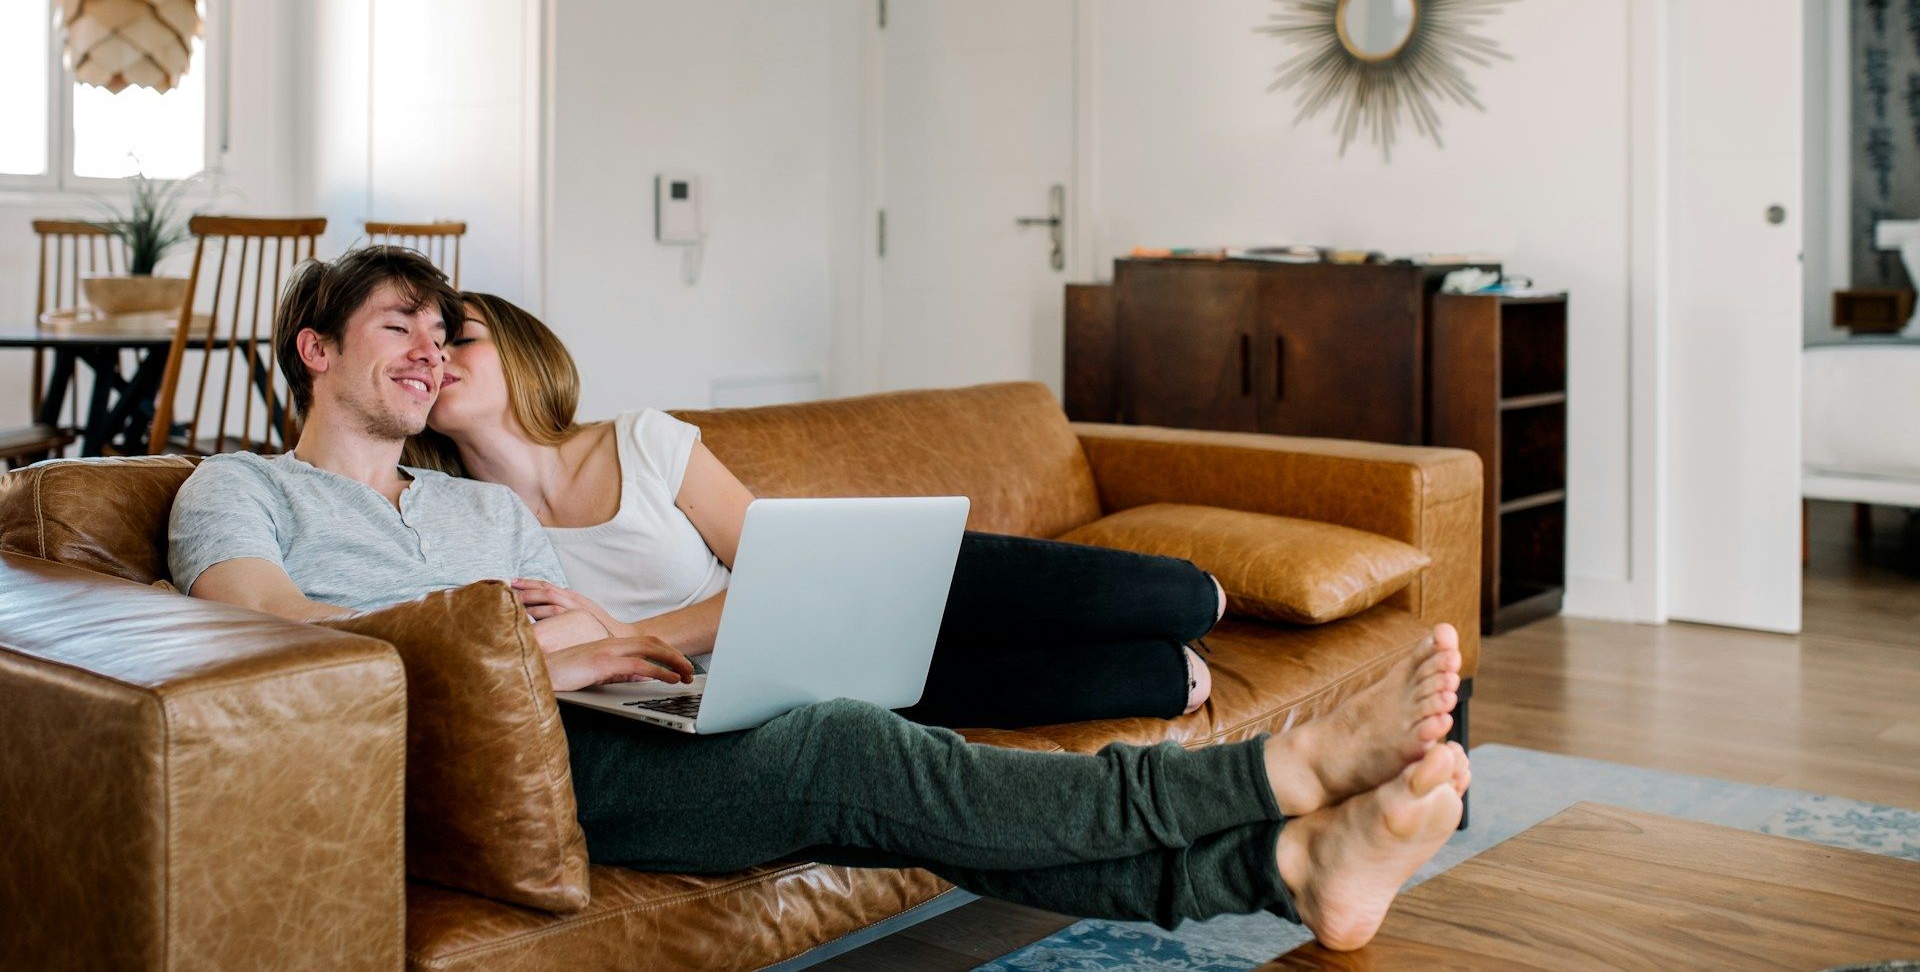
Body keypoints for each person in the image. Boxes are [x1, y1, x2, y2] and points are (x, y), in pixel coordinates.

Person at [166, 246, 1470, 947]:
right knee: (852, 747)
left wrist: (618, 648)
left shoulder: (474, 506)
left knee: (903, 784)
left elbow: (596, 624)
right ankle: (1271, 779)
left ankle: (1291, 865)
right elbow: (272, 641)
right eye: (398, 326)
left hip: (619, 713)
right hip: (492, 752)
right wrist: (518, 659)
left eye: (443, 330)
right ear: (317, 350)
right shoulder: (237, 487)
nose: (427, 352)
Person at [406, 292, 1229, 728]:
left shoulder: (641, 441)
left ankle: (1197, 600)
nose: (438, 359)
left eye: (461, 338)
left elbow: (783, 566)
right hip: (780, 688)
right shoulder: (467, 525)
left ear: (520, 351)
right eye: (425, 349)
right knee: (1173, 677)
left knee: (1187, 601)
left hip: (852, 588)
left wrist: (631, 636)